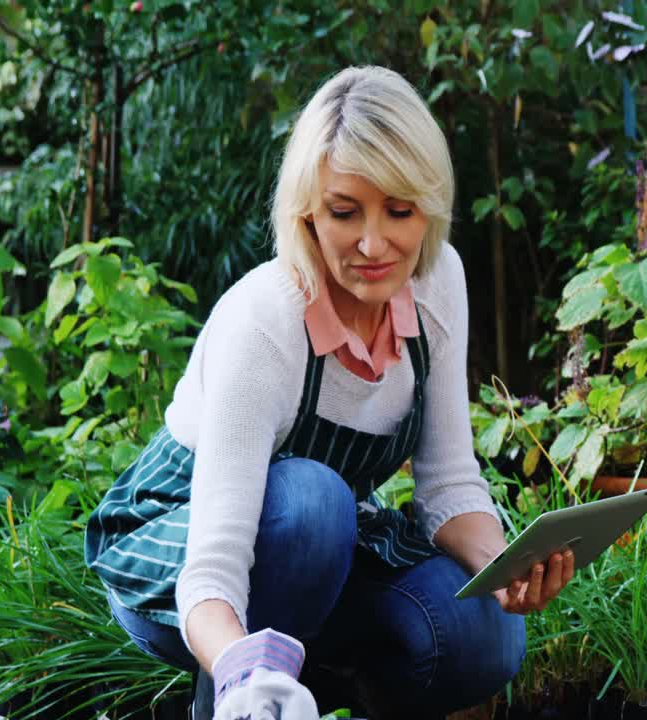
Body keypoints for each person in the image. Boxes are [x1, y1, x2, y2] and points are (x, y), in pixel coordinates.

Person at [84, 65, 574, 720]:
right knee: (314, 503)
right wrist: (241, 676)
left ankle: (317, 690)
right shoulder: (265, 321)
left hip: (321, 554)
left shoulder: (438, 282)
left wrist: (507, 565)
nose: (374, 243)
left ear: (429, 206)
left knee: (483, 634)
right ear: (308, 213)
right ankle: (244, 703)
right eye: (345, 212)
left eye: (399, 211)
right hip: (187, 555)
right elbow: (212, 569)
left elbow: (450, 483)